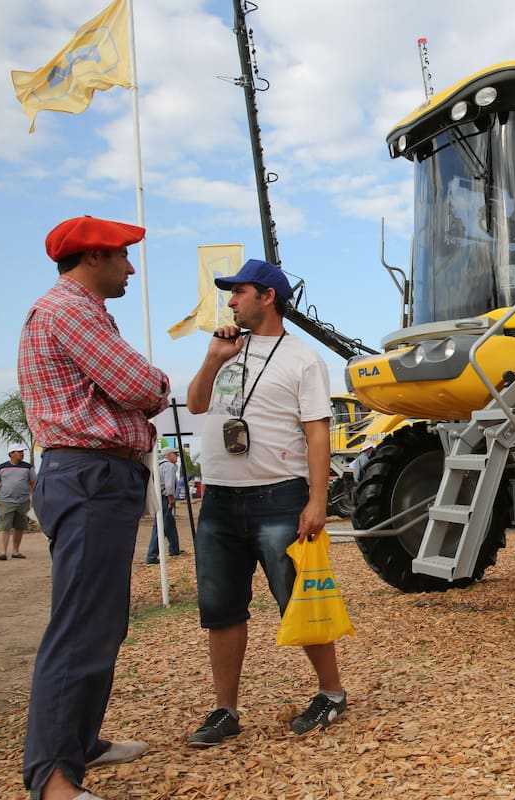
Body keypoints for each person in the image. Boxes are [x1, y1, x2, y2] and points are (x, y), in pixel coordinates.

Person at [19, 216, 170, 800]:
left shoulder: (72, 310)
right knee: (83, 627)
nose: (130, 268)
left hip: (89, 475)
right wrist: (153, 385)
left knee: (98, 621)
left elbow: (131, 387)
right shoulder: (71, 311)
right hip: (89, 475)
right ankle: (54, 780)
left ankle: (77, 746)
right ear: (92, 258)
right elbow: (140, 386)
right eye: (122, 257)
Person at [185, 258, 346, 747]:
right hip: (219, 496)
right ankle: (225, 709)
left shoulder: (302, 358)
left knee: (297, 599)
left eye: (239, 292)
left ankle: (332, 693)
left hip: (279, 495)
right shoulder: (225, 348)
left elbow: (318, 431)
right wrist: (214, 358)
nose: (231, 300)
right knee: (221, 607)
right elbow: (194, 404)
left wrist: (318, 499)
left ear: (268, 296)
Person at [0, 444, 36, 560]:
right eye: (19, 451)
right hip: (6, 501)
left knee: (19, 526)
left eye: (22, 451)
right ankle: (3, 552)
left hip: (23, 501)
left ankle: (16, 551)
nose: (22, 453)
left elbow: (33, 483)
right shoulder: (1, 468)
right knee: (4, 527)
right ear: (11, 453)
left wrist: (35, 499)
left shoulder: (28, 467)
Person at [144, 446, 183, 564]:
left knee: (169, 524)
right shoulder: (169, 466)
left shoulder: (160, 465)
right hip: (165, 498)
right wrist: (170, 499)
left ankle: (174, 549)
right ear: (169, 455)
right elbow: (169, 485)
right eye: (175, 454)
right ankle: (151, 556)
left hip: (160, 497)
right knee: (160, 527)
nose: (177, 456)